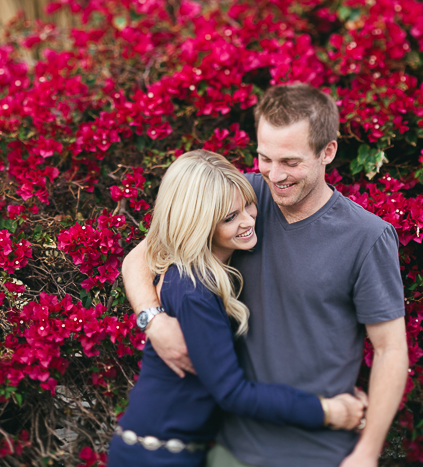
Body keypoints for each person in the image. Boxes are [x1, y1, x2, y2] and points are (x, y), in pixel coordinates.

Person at [122, 84, 409, 467]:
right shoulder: (243, 197)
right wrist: (152, 320)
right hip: (229, 450)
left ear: (328, 151)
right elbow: (144, 254)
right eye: (264, 158)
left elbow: (391, 349)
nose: (275, 175)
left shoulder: (367, 237)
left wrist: (367, 453)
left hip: (318, 453)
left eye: (290, 162)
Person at [109, 150, 368, 467]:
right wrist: (328, 411)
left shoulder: (208, 274)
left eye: (248, 205)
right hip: (155, 457)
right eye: (230, 218)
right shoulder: (193, 289)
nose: (247, 221)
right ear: (199, 224)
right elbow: (233, 393)